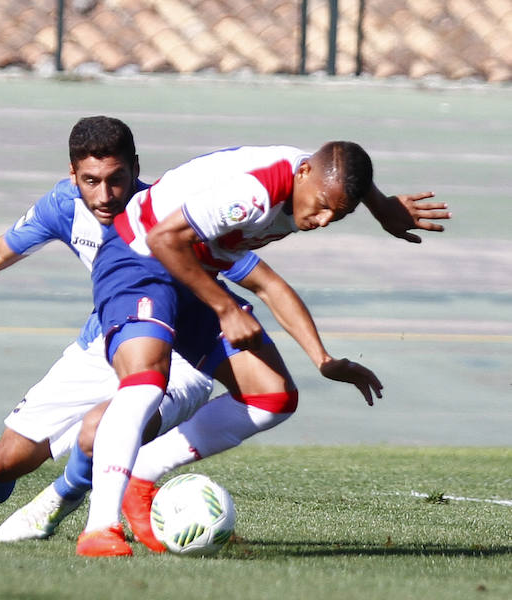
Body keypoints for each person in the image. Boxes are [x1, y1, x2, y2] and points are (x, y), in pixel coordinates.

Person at [0, 118, 448, 540]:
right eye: (89, 181)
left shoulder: (194, 212)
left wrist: (378, 208)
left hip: (177, 334)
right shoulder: (65, 207)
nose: (104, 194)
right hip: (103, 337)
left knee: (114, 419)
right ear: (73, 176)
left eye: (116, 178)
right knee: (8, 460)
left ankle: (78, 506)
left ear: (138, 170)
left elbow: (270, 260)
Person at [74, 141, 426, 557]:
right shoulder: (254, 194)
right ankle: (100, 530)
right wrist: (224, 308)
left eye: (341, 213)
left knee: (273, 397)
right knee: (146, 382)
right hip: (138, 255)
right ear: (303, 175)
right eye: (323, 205)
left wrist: (323, 359)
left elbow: (274, 279)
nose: (326, 219)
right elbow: (164, 238)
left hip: (195, 269)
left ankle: (142, 477)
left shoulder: (318, 181)